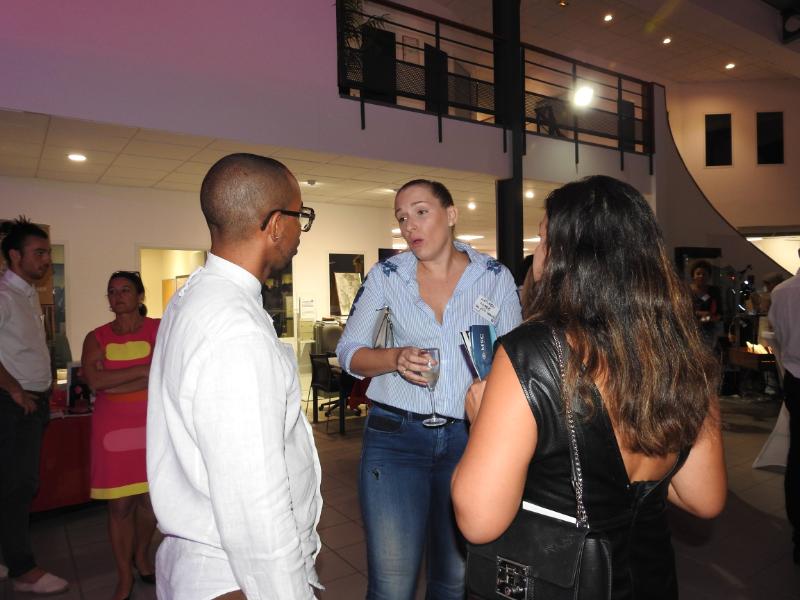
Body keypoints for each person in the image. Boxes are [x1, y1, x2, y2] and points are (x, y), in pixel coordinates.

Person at [452, 176, 727, 599]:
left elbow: (478, 520)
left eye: (543, 239)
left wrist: (479, 418)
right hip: (651, 579)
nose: (537, 253)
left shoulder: (533, 352)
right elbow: (704, 498)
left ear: (566, 256)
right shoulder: (683, 351)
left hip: (565, 581)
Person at [147, 153, 322, 600]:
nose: (300, 233)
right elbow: (255, 507)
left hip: (207, 558)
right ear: (276, 225)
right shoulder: (236, 330)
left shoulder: (194, 295)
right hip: (233, 574)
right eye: (300, 217)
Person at [336, 179, 522, 599]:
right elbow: (348, 352)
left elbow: (515, 358)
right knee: (392, 586)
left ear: (451, 215)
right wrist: (394, 358)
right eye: (402, 217)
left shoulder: (493, 277)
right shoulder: (387, 277)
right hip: (395, 439)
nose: (410, 225)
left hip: (468, 438)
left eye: (421, 211)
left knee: (453, 582)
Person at [0, 217, 69, 595]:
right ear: (15, 255)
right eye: (39, 253)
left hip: (30, 401)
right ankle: (22, 568)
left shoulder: (26, 295)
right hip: (14, 404)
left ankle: (9, 557)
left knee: (12, 483)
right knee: (19, 485)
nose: (46, 260)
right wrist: (14, 390)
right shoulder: (4, 295)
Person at [81, 270, 159, 600]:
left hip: (153, 427)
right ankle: (124, 575)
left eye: (125, 290)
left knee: (151, 503)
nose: (118, 296)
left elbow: (166, 372)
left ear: (140, 296)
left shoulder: (160, 328)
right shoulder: (95, 337)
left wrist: (115, 380)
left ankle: (142, 555)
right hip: (111, 431)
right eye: (112, 291)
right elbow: (95, 382)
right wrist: (143, 371)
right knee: (120, 506)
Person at [769, 249, 800, 562]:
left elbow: (777, 333)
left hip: (795, 381)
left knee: (797, 456)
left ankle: (798, 533)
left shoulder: (781, 291)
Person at [689, 259, 722, 348]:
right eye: (698, 274)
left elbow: (719, 312)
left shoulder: (714, 291)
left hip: (709, 330)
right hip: (691, 329)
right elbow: (684, 310)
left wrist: (709, 317)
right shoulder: (687, 291)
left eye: (704, 274)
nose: (701, 276)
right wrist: (700, 313)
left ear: (709, 276)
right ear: (693, 275)